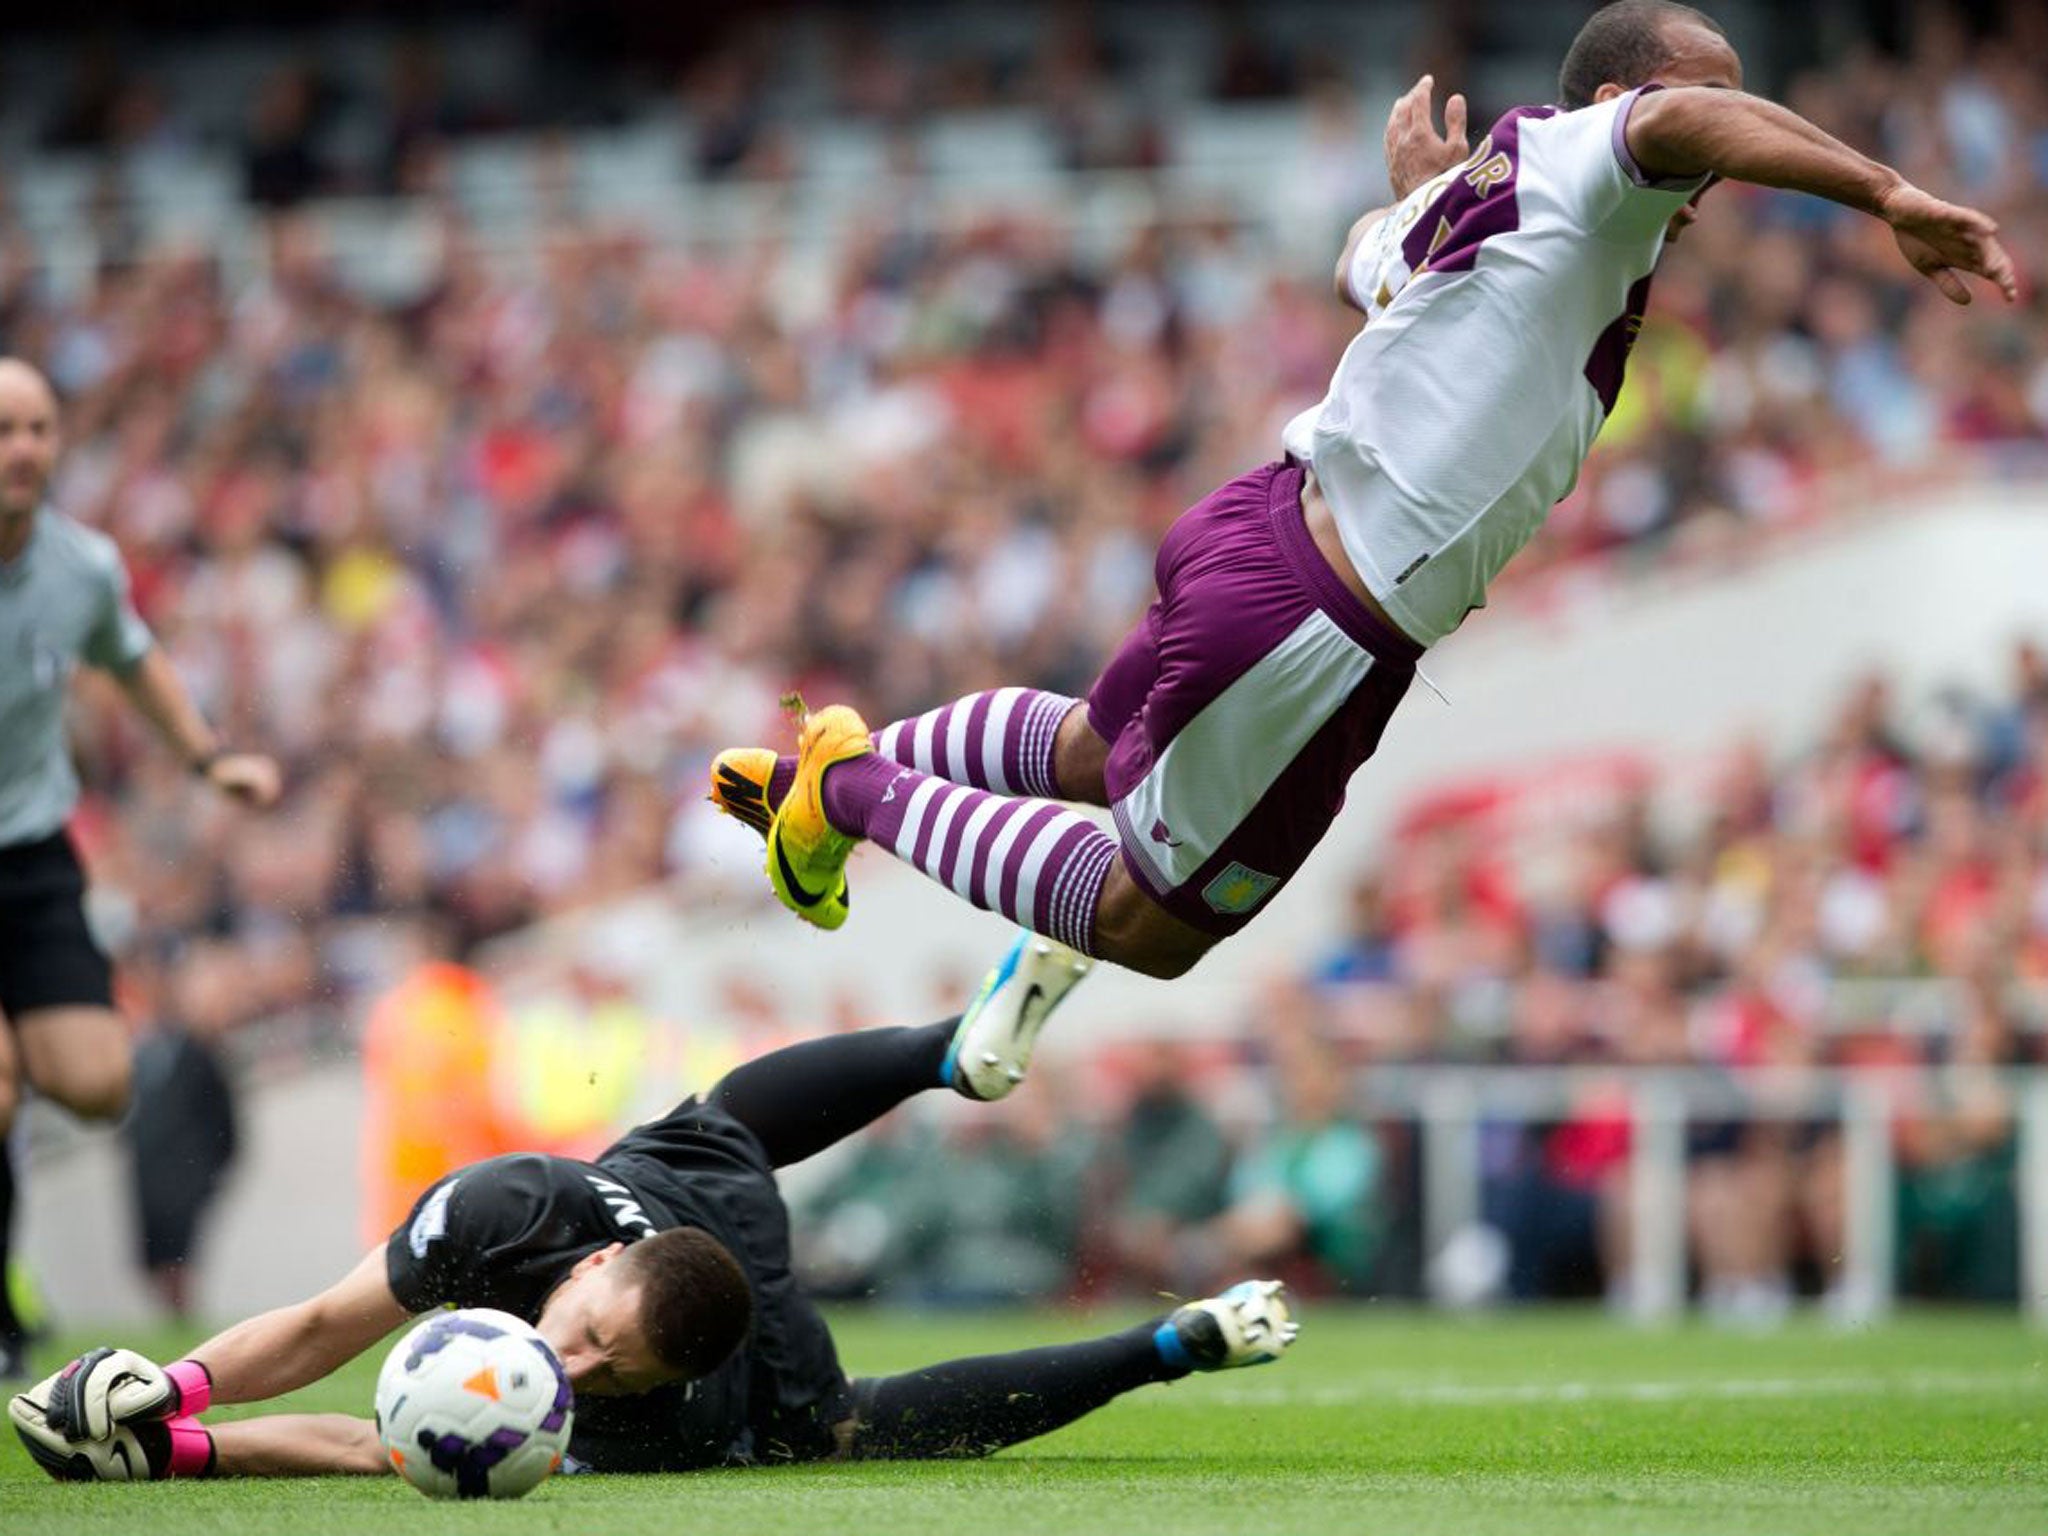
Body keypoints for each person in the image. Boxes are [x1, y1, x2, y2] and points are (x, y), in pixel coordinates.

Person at [707, 0, 2016, 982]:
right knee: (1149, 925)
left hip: (1259, 532)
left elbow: (1368, 266)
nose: (1730, 150)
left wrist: (1421, 195)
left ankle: (833, 765)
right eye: (1719, 104)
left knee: (1095, 755)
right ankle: (846, 799)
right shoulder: (1598, 162)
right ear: (1623, 96)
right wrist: (1884, 188)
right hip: (1318, 615)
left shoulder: (1495, 210)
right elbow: (1675, 123)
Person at [10, 936, 1297, 1482]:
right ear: (576, 1271)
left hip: (744, 1292)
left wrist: (181, 1454)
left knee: (836, 1434)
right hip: (686, 1169)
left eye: (596, 1368)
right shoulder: (508, 1206)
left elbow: (375, 1445)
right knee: (726, 1113)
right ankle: (945, 1049)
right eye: (580, 1332)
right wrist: (169, 1387)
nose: (562, 1361)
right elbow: (323, 1325)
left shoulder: (651, 1424)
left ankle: (1164, 1345)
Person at [0, 358, 281, 1380]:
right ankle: (3, 1298)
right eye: (3, 430)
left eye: (37, 427)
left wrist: (210, 760)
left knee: (91, 1079)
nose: (22, 448)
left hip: (29, 854)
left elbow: (132, 657)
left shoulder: (80, 566)